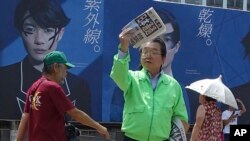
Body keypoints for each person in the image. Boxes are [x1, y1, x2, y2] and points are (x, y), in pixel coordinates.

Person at [0, 0, 91, 119]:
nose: (39, 40)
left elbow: (85, 134)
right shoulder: (4, 79)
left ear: (60, 33)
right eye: (30, 29)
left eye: (47, 30)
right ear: (21, 32)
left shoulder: (79, 87)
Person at [110, 9, 191, 123]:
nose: (149, 56)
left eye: (154, 52)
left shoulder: (175, 87)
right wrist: (123, 48)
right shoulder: (130, 80)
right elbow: (118, 75)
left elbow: (181, 120)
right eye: (146, 51)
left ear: (176, 47)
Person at [16, 51, 110, 141]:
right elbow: (75, 113)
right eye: (65, 69)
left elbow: (25, 117)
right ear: (56, 67)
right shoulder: (52, 87)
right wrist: (99, 127)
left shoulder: (34, 87)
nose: (66, 74)